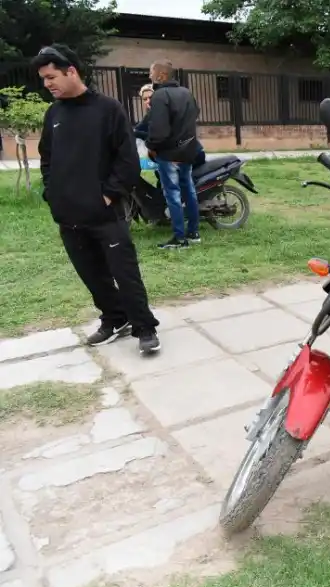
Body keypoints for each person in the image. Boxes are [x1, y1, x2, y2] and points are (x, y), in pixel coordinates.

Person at [32, 44, 161, 354]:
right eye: (43, 79)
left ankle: (143, 326)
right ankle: (114, 319)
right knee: (91, 273)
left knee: (124, 271)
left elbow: (127, 160)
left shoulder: (108, 109)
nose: (47, 84)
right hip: (68, 215)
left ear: (71, 71)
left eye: (51, 77)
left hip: (105, 213)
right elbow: (46, 158)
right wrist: (53, 194)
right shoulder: (54, 114)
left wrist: (108, 195)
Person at [146, 59, 202, 249]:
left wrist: (151, 146)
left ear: (161, 75)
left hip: (169, 154)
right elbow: (196, 113)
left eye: (151, 73)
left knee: (173, 194)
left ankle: (180, 238)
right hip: (187, 151)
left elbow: (158, 129)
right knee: (189, 191)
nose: (149, 76)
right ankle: (194, 232)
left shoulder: (160, 96)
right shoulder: (187, 93)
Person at [135, 83, 206, 168]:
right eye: (145, 99)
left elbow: (161, 136)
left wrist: (139, 135)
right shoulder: (150, 115)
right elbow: (138, 129)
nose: (148, 101)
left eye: (151, 97)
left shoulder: (165, 111)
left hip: (189, 155)